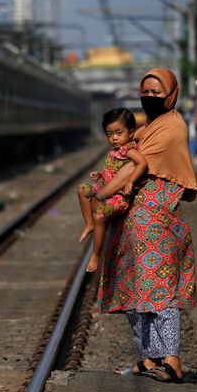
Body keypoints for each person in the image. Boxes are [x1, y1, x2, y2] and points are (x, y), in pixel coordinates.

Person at [98, 68, 197, 384]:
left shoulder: (170, 127)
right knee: (134, 291)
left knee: (159, 289)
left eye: (157, 92)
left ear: (170, 94)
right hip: (134, 221)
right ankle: (150, 358)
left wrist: (100, 195)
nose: (150, 97)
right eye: (146, 92)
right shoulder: (147, 127)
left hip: (155, 220)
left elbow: (130, 169)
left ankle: (171, 360)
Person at [77, 108, 148, 273]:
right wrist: (101, 174)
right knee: (82, 189)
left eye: (118, 133)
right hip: (105, 188)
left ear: (130, 133)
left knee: (100, 215)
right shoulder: (116, 151)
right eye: (109, 134)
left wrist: (130, 181)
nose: (114, 138)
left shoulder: (128, 149)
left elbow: (142, 163)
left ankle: (95, 255)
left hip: (118, 197)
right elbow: (114, 171)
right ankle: (89, 224)